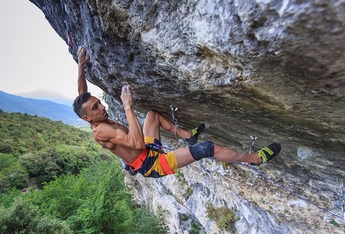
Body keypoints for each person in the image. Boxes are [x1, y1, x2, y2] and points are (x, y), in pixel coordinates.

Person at [73, 47, 281, 178]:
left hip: (147, 150)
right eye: (96, 108)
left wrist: (81, 66)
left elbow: (83, 94)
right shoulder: (101, 132)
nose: (102, 107)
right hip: (151, 164)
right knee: (207, 148)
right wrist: (128, 106)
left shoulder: (91, 115)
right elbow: (135, 143)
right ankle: (253, 158)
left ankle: (188, 136)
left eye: (99, 103)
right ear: (87, 118)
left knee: (153, 115)